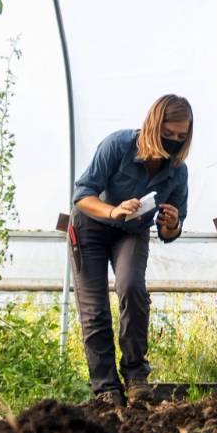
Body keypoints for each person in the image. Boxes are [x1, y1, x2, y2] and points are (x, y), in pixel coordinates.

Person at [69, 95, 192, 407]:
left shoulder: (178, 171)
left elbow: (170, 233)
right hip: (91, 228)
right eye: (169, 135)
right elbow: (82, 195)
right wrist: (113, 211)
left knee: (133, 288)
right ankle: (106, 389)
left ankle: (136, 375)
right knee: (94, 309)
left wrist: (171, 223)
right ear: (154, 126)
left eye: (182, 137)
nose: (175, 142)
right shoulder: (117, 146)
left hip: (133, 232)